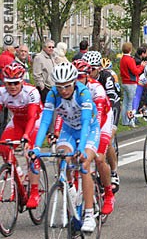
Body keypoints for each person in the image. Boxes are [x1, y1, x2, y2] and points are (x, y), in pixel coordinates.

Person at [31, 62, 100, 232]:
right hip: (68, 130)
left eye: (67, 86)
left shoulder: (83, 93)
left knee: (84, 164)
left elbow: (85, 123)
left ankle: (89, 214)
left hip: (89, 129)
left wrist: (82, 148)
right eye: (59, 87)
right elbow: (46, 121)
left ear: (74, 82)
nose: (63, 91)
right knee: (62, 158)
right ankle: (70, 188)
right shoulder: (53, 95)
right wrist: (37, 147)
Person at [71, 60, 115, 213]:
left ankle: (109, 193)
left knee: (99, 158)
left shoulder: (96, 89)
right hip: (83, 121)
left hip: (101, 120)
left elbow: (99, 116)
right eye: (74, 77)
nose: (76, 80)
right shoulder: (68, 88)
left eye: (80, 77)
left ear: (87, 76)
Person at [0, 63, 43, 209]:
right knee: (3, 147)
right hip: (17, 121)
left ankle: (35, 192)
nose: (12, 87)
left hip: (35, 121)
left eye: (15, 83)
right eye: (8, 83)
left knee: (31, 153)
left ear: (22, 81)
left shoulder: (31, 92)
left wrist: (26, 136)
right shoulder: (2, 93)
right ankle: (17, 173)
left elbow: (32, 117)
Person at [83, 51, 121, 193]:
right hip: (92, 110)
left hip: (109, 108)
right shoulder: (82, 79)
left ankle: (114, 172)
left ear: (99, 67)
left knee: (108, 140)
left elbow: (111, 98)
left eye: (92, 68)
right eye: (87, 68)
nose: (88, 71)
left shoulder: (106, 77)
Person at [119, 42, 147, 126]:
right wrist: (142, 66)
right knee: (131, 103)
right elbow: (135, 71)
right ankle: (131, 121)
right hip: (131, 82)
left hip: (124, 82)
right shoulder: (130, 59)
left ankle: (124, 121)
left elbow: (132, 69)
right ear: (130, 49)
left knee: (125, 102)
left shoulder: (122, 59)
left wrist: (139, 66)